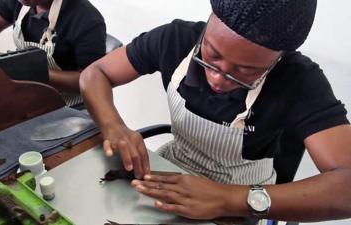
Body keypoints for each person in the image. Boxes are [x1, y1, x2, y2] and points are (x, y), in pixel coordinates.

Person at [80, 0, 351, 223]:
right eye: (211, 55)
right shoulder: (175, 39)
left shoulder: (299, 80)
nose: (218, 79)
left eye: (246, 71)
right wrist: (114, 127)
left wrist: (229, 199)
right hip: (171, 168)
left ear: (278, 57)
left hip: (241, 197)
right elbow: (96, 73)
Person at [0, 0, 106, 106]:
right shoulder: (21, 2)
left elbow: (93, 80)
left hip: (71, 106)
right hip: (30, 93)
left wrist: (34, 71)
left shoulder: (86, 19)